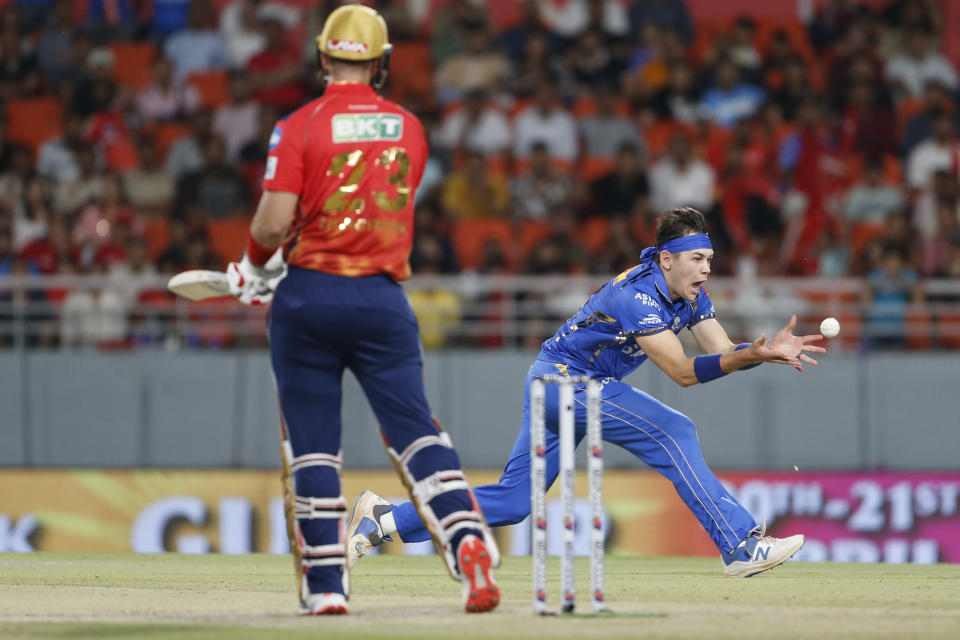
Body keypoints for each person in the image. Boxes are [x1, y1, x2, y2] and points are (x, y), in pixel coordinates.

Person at [348, 207, 826, 579]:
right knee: (674, 430)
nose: (705, 270)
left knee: (514, 503)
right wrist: (747, 355)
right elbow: (683, 372)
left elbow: (720, 350)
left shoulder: (692, 294)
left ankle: (385, 519)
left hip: (556, 385)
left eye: (708, 260)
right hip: (565, 383)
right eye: (696, 260)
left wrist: (757, 352)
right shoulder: (636, 297)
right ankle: (741, 544)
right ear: (666, 259)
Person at [224, 4, 500, 615]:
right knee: (418, 433)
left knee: (314, 448)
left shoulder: (296, 125)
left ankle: (327, 588)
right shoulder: (411, 127)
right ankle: (467, 540)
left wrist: (252, 266)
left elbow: (273, 221)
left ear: (324, 57)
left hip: (308, 296)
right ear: (380, 64)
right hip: (381, 298)